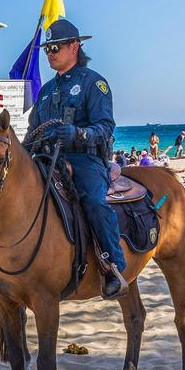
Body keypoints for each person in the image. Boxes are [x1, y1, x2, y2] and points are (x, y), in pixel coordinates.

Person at [30, 19, 127, 299]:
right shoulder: (46, 91)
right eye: (47, 49)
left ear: (74, 46)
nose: (50, 53)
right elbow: (34, 130)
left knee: (94, 201)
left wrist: (78, 133)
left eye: (55, 47)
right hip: (47, 158)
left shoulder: (93, 83)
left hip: (84, 159)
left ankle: (112, 266)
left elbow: (106, 127)